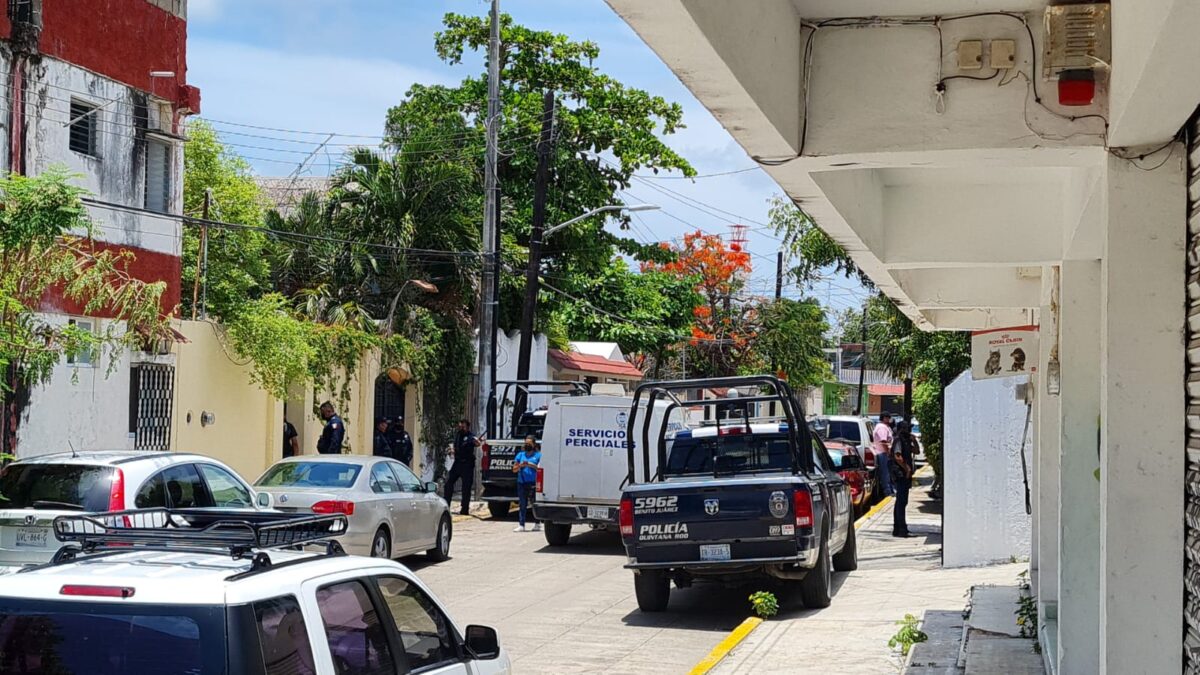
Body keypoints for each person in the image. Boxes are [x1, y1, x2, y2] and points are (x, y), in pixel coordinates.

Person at [444, 419, 479, 516]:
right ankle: (446, 505)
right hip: (458, 463)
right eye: (460, 426)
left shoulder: (471, 437)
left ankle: (464, 509)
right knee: (448, 483)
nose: (461, 428)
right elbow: (455, 446)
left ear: (467, 427)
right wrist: (452, 450)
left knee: (466, 488)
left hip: (467, 465)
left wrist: (477, 442)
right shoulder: (458, 435)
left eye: (463, 427)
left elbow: (477, 443)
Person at [512, 436, 541, 533]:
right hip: (522, 482)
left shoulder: (538, 456)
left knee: (534, 503)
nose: (527, 445)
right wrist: (520, 465)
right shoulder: (520, 455)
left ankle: (537, 523)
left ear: (533, 444)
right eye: (526, 443)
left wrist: (530, 464)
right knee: (522, 504)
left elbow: (539, 469)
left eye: (529, 443)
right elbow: (514, 469)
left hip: (533, 483)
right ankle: (521, 524)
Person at [891, 421, 914, 538]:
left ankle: (900, 527)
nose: (909, 431)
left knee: (902, 502)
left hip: (905, 475)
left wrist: (913, 440)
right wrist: (907, 469)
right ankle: (900, 529)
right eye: (907, 428)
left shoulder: (906, 441)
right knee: (901, 502)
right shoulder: (898, 440)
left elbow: (917, 451)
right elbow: (898, 456)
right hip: (901, 475)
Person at [873, 412, 895, 497]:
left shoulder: (884, 427)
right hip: (883, 453)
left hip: (883, 452)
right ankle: (887, 492)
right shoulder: (882, 427)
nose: (889, 420)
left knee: (887, 472)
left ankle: (889, 490)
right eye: (888, 418)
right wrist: (888, 452)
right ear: (884, 418)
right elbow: (883, 441)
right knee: (885, 473)